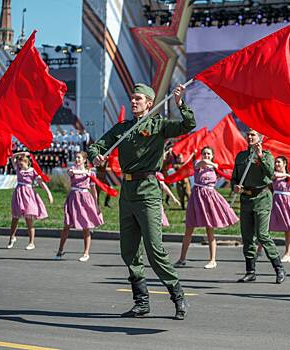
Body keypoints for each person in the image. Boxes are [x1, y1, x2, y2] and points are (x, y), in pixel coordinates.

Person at [88, 83, 195, 320]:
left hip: (147, 190)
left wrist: (180, 103)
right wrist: (96, 155)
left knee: (155, 249)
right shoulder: (122, 128)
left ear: (149, 103)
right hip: (126, 192)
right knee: (129, 249)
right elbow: (96, 146)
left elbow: (188, 125)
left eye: (138, 98)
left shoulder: (158, 126)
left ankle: (177, 295)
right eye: (132, 98)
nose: (133, 101)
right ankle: (141, 302)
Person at [231, 129, 286, 284]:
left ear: (260, 138)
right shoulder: (241, 156)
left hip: (261, 197)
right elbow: (234, 178)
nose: (249, 136)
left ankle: (279, 268)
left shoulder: (267, 155)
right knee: (247, 237)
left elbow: (270, 174)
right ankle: (250, 271)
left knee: (262, 235)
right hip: (246, 199)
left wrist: (260, 156)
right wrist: (234, 186)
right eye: (248, 134)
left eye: (253, 134)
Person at [174, 146, 239, 269]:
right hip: (197, 198)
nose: (206, 155)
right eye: (204, 153)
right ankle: (182, 259)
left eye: (209, 154)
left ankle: (212, 260)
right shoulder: (198, 163)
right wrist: (213, 164)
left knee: (210, 229)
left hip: (210, 198)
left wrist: (217, 168)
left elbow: (229, 175)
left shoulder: (215, 169)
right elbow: (203, 162)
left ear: (212, 155)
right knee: (189, 229)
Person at [55, 152, 103, 262]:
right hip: (73, 198)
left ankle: (86, 253)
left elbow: (94, 190)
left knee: (86, 226)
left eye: (79, 157)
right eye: (76, 157)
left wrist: (96, 204)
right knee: (67, 225)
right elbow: (71, 172)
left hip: (85, 198)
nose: (76, 159)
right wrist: (87, 172)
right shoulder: (72, 169)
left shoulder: (91, 173)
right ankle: (60, 249)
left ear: (85, 160)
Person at [7, 152, 53, 250]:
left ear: (27, 162)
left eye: (21, 164)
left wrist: (48, 193)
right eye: (18, 164)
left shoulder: (33, 171)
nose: (19, 165)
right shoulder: (18, 170)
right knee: (15, 217)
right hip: (19, 194)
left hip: (28, 195)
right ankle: (12, 237)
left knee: (29, 218)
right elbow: (11, 157)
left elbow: (41, 183)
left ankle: (31, 242)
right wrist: (22, 153)